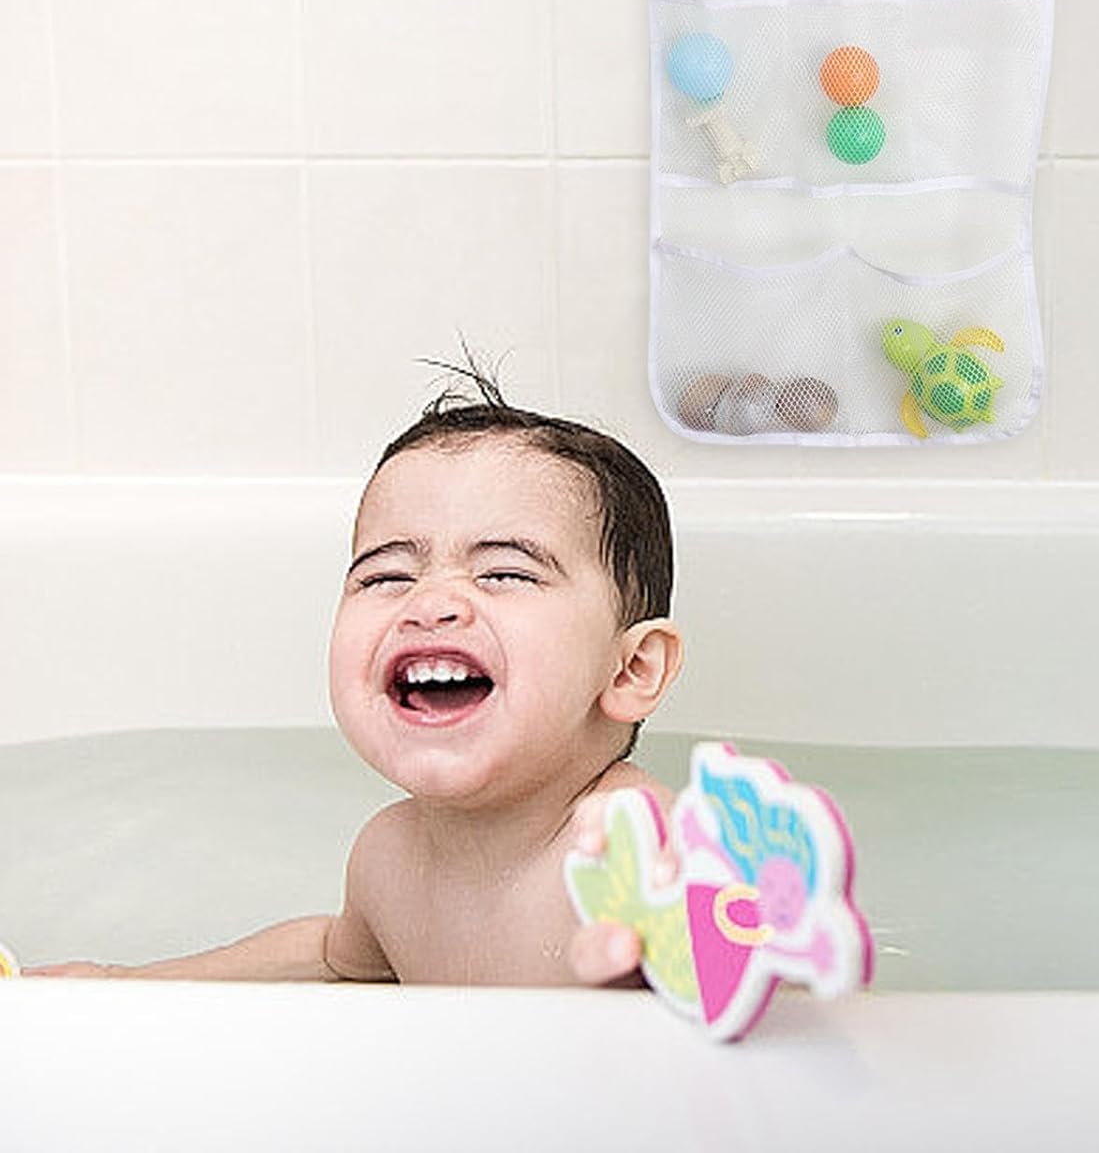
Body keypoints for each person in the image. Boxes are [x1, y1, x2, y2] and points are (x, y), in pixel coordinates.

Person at [29, 375, 682, 987]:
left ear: (632, 669)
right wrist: (123, 983)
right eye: (387, 576)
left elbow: (735, 946)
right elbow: (330, 956)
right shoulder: (390, 858)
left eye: (504, 573)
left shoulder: (640, 849)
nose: (430, 603)